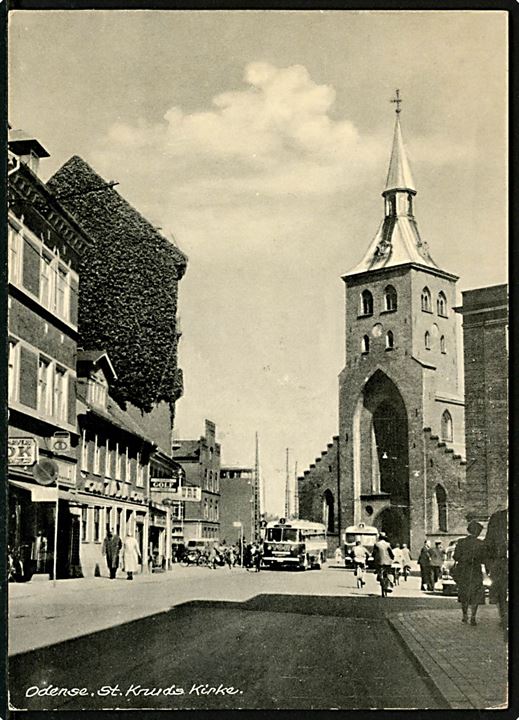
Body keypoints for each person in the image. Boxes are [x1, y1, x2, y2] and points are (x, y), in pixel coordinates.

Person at [453, 520, 486, 626]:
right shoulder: (481, 543)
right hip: (475, 571)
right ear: (477, 532)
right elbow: (484, 559)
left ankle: (464, 615)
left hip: (463, 572)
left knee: (464, 593)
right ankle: (473, 617)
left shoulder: (461, 542)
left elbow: (455, 557)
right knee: (475, 594)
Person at [483, 508, 508, 637]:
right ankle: (505, 619)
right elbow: (489, 545)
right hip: (501, 565)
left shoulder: (497, 518)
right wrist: (490, 566)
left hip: (501, 566)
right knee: (501, 593)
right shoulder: (497, 518)